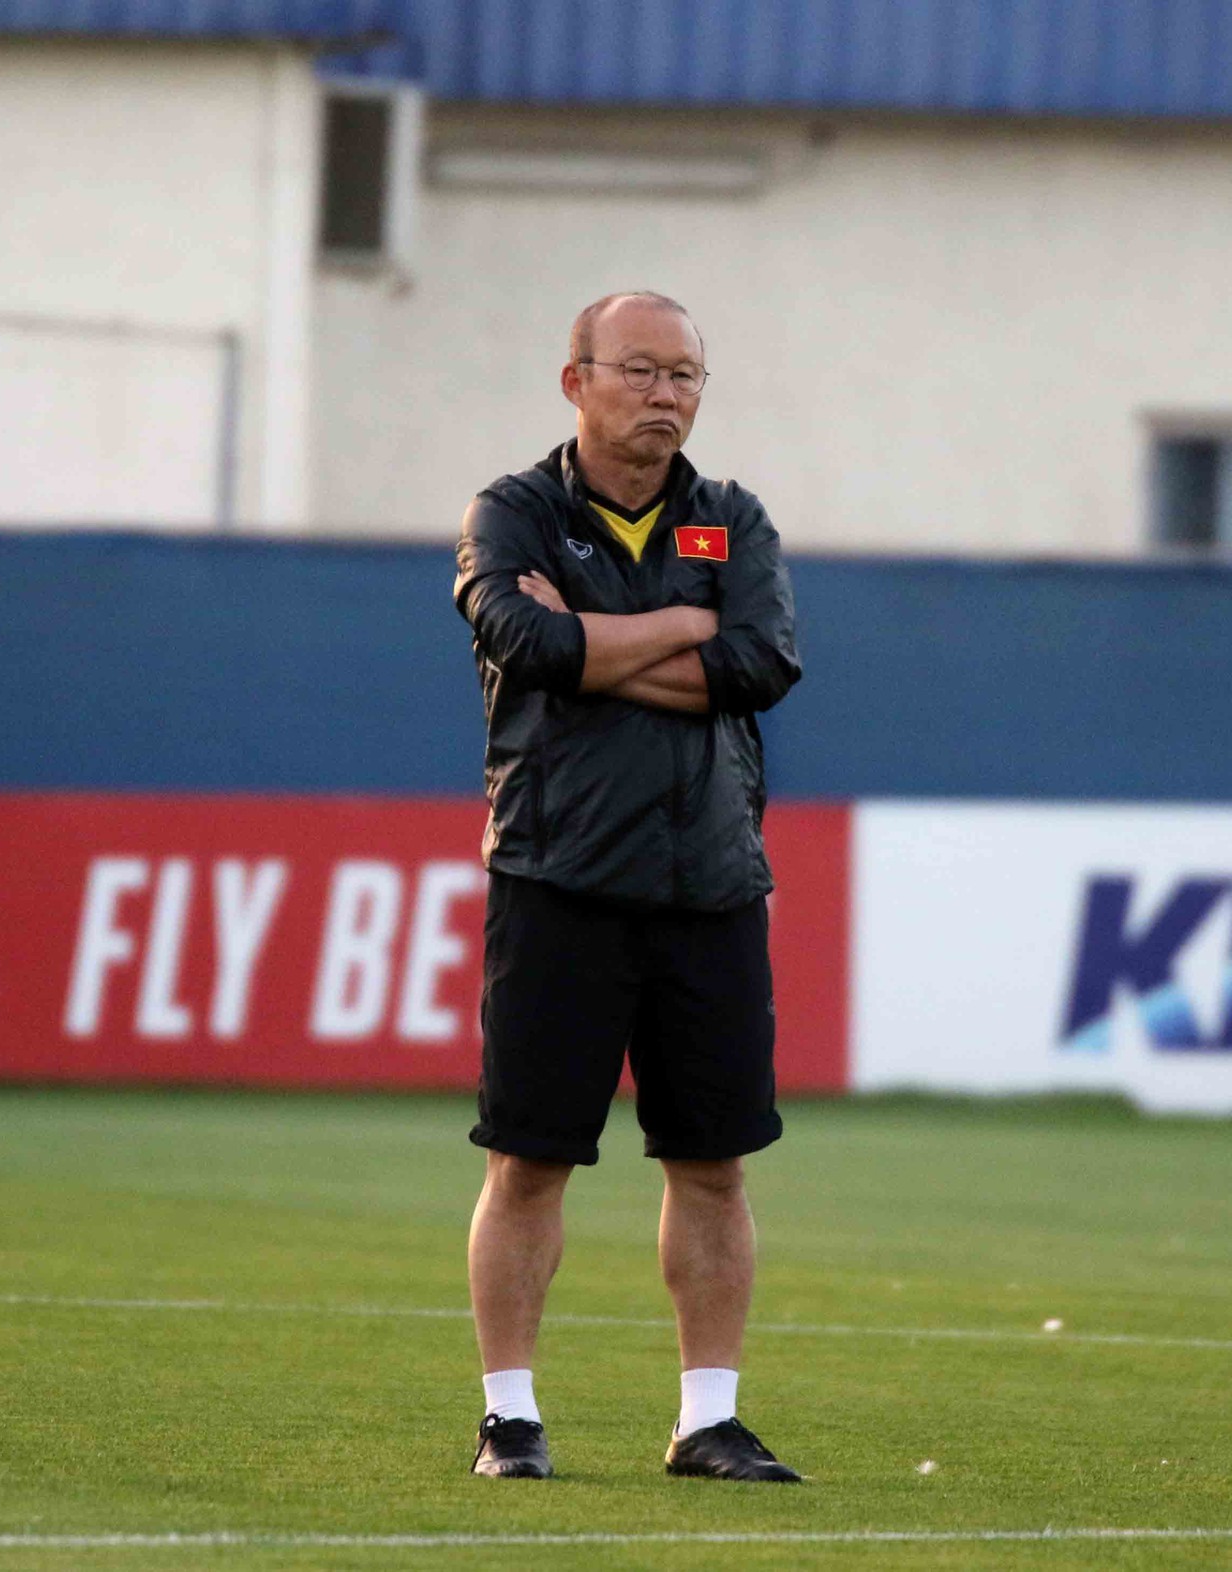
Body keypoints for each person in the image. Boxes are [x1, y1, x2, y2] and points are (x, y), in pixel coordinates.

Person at [450, 291, 803, 1484]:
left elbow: (760, 664)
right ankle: (509, 1420)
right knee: (527, 1163)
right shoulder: (513, 513)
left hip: (710, 880)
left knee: (712, 1165)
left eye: (684, 375)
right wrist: (679, 628)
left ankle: (707, 1422)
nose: (665, 395)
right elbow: (528, 645)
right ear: (576, 381)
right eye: (640, 371)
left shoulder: (730, 517)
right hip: (557, 875)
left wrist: (597, 642)